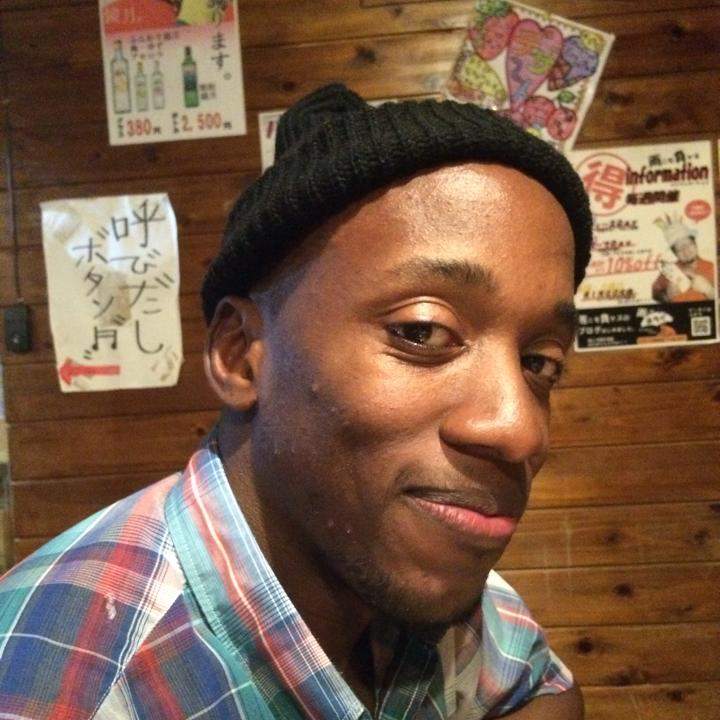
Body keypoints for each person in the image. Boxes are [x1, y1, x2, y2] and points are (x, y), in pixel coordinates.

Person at [0, 85, 592, 719]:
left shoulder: (409, 569)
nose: (520, 430)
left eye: (540, 363)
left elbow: (547, 687)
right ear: (240, 355)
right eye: (421, 331)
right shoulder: (73, 688)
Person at [651, 215, 715, 303]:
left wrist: (709, 291)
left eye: (688, 244)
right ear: (675, 254)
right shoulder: (669, 269)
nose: (686, 250)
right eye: (679, 248)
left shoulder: (712, 267)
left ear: (695, 244)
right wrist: (667, 295)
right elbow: (655, 292)